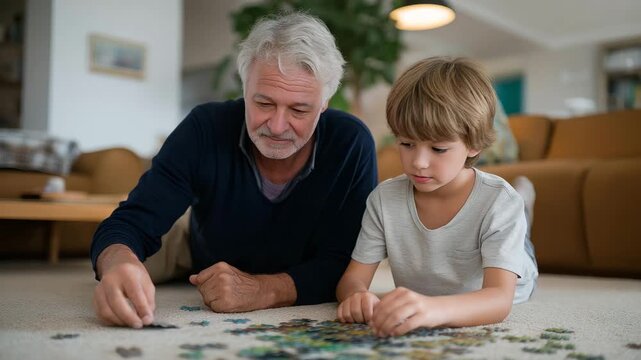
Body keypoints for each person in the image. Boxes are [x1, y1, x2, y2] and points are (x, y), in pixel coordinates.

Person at [91, 12, 377, 328]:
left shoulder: (351, 143)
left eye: (298, 109)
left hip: (294, 264)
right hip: (199, 251)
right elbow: (130, 221)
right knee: (122, 267)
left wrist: (264, 290)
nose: (278, 126)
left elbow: (345, 264)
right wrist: (118, 262)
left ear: (325, 104)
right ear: (244, 88)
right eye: (264, 104)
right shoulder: (204, 127)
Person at [336, 57, 538, 337]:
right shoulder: (383, 200)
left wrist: (433, 310)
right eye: (406, 144)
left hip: (516, 269)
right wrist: (356, 296)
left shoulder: (500, 202)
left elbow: (499, 300)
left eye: (439, 149)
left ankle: (524, 206)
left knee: (518, 231)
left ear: (474, 145)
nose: (418, 162)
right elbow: (352, 279)